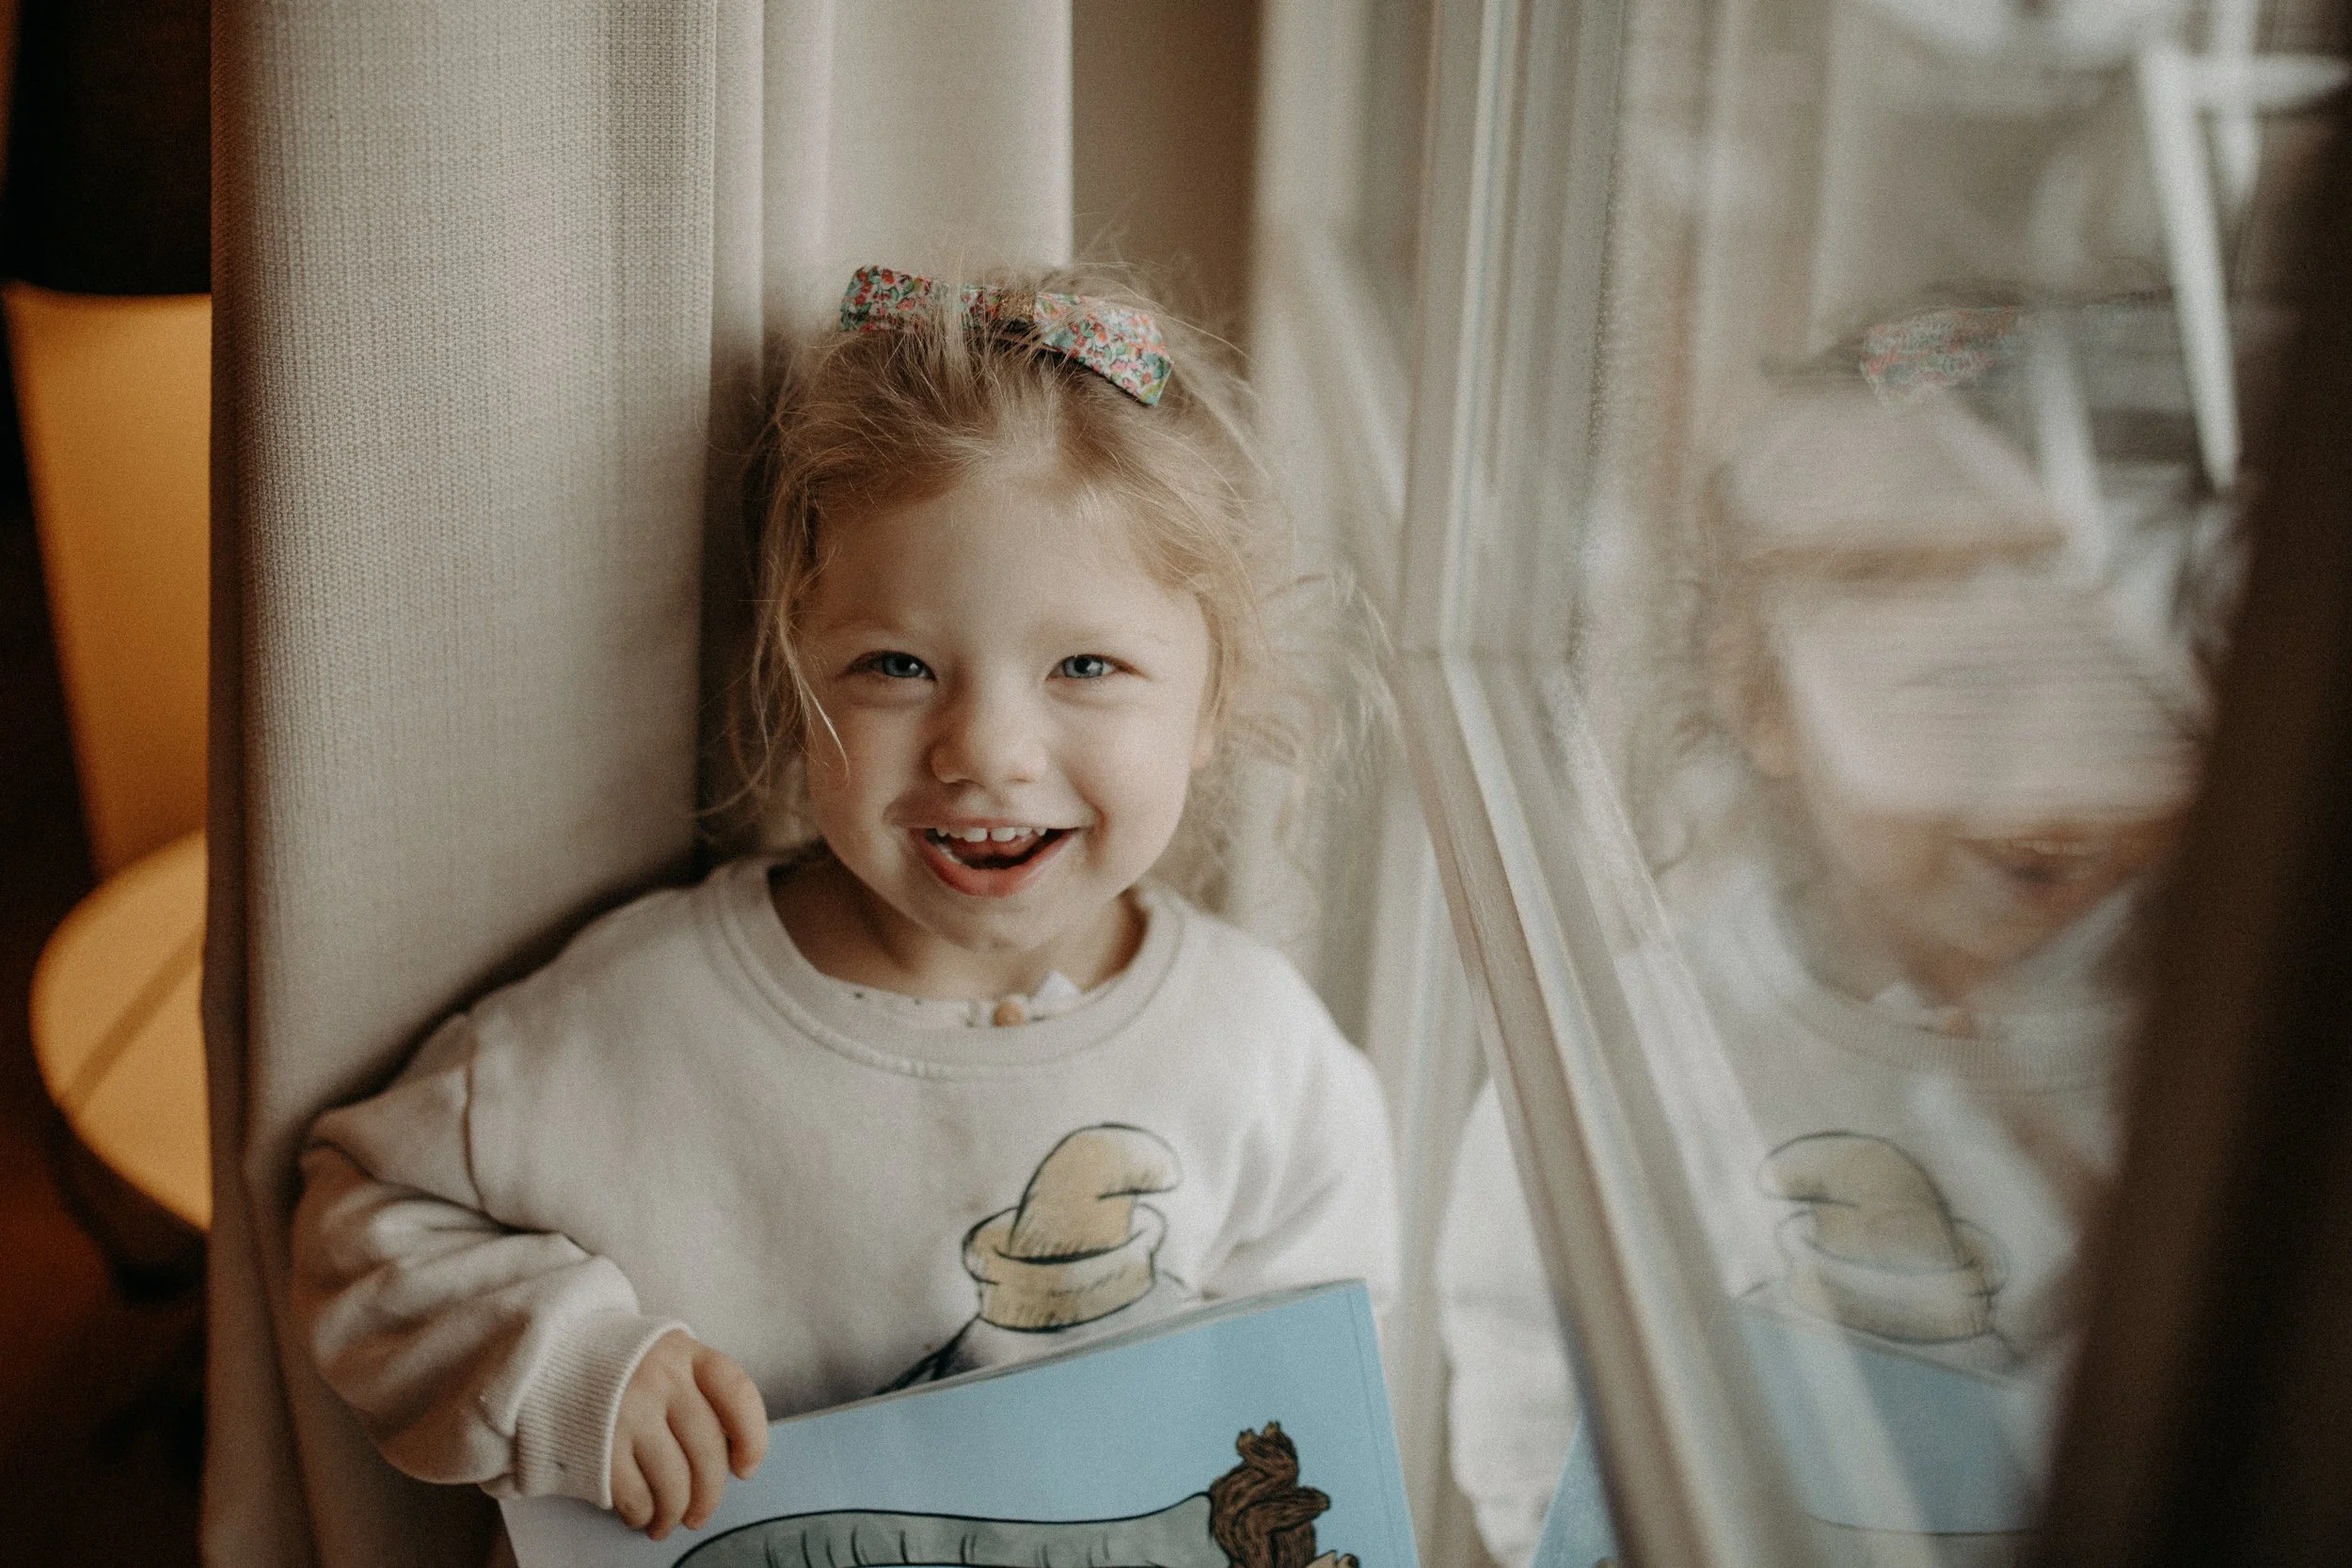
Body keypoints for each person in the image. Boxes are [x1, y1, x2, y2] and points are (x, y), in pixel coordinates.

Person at [290, 265, 1399, 1555]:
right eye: (896, 666)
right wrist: (573, 1365)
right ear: (789, 675)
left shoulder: (1262, 1054)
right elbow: (363, 1208)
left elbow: (1325, 1395)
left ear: (1211, 704)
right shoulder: (644, 1014)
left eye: (1085, 666)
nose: (985, 748)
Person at [1438, 355, 2201, 1566]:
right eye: (1954, 696)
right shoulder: (1653, 1046)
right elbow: (1526, 1346)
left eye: (2107, 700)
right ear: (1768, 704)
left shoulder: (2202, 1043)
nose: (2046, 780)